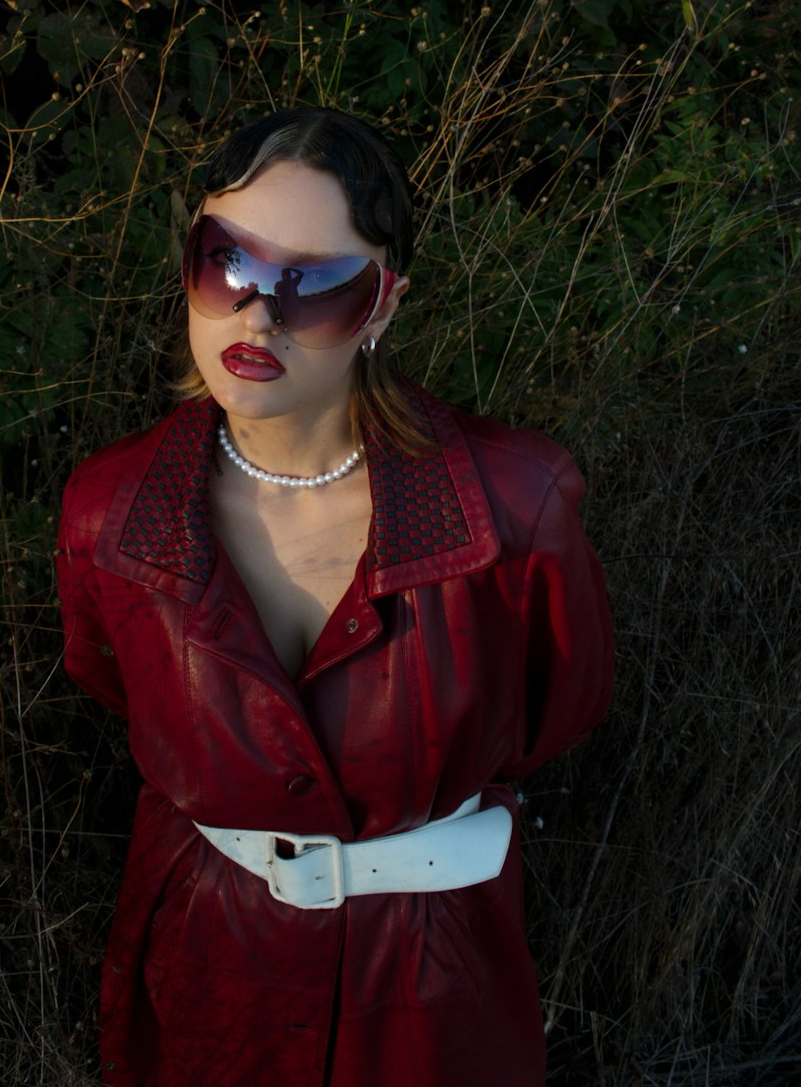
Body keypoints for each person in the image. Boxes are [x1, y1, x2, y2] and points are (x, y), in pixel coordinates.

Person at [56, 106, 614, 1087]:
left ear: (382, 308)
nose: (257, 313)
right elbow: (114, 684)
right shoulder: (106, 513)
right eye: (227, 262)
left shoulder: (519, 502)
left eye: (313, 286)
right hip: (202, 980)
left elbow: (552, 712)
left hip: (431, 997)